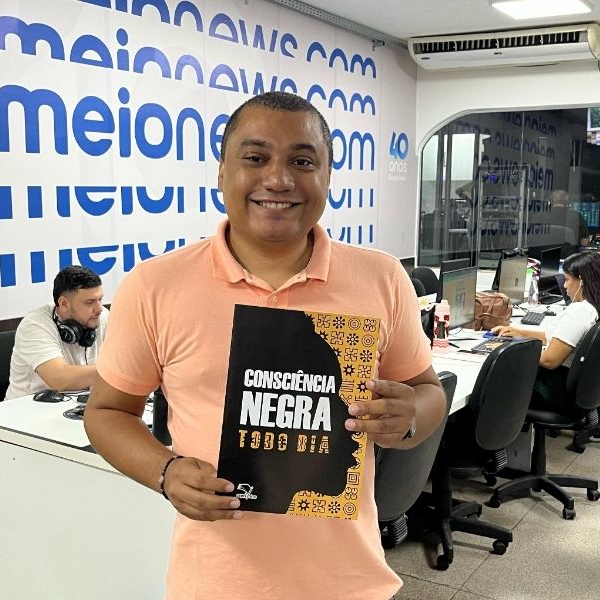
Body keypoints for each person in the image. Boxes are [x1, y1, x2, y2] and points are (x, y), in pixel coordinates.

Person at [84, 92, 446, 599]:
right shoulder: (155, 286)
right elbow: (106, 412)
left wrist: (408, 417)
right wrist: (165, 472)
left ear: (327, 177)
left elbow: (429, 393)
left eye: (303, 161)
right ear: (221, 173)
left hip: (349, 582)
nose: (278, 179)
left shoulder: (381, 278)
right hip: (215, 583)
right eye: (255, 158)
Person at [492, 252, 600, 410]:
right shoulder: (599, 307)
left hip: (556, 390)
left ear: (581, 281)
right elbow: (558, 337)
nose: (565, 285)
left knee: (494, 380)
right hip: (577, 387)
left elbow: (549, 360)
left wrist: (507, 351)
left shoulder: (580, 311)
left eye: (567, 279)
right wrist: (520, 333)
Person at [5, 265, 107, 400]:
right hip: (28, 408)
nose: (99, 309)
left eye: (100, 299)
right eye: (89, 302)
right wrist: (118, 371)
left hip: (77, 403)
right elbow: (59, 379)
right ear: (64, 304)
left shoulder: (101, 317)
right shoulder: (34, 325)